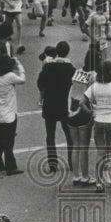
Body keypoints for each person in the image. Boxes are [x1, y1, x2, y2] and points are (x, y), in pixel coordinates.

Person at [78, 60, 111, 193]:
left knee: (101, 153)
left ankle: (99, 183)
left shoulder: (94, 87)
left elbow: (81, 103)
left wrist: (91, 112)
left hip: (99, 121)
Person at [38, 41, 75, 173]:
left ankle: (52, 164)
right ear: (68, 52)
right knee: (70, 136)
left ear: (57, 52)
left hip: (50, 104)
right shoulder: (71, 69)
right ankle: (72, 162)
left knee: (50, 136)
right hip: (65, 105)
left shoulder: (48, 67)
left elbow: (40, 83)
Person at [0, 52, 26, 175]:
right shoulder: (10, 76)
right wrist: (19, 65)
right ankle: (11, 167)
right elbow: (22, 80)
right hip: (9, 115)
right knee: (8, 143)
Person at [68, 48, 99, 186]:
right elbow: (92, 96)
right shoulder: (94, 76)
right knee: (84, 147)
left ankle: (76, 176)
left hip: (72, 108)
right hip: (84, 109)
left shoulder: (77, 72)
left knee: (75, 145)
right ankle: (86, 176)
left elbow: (71, 91)